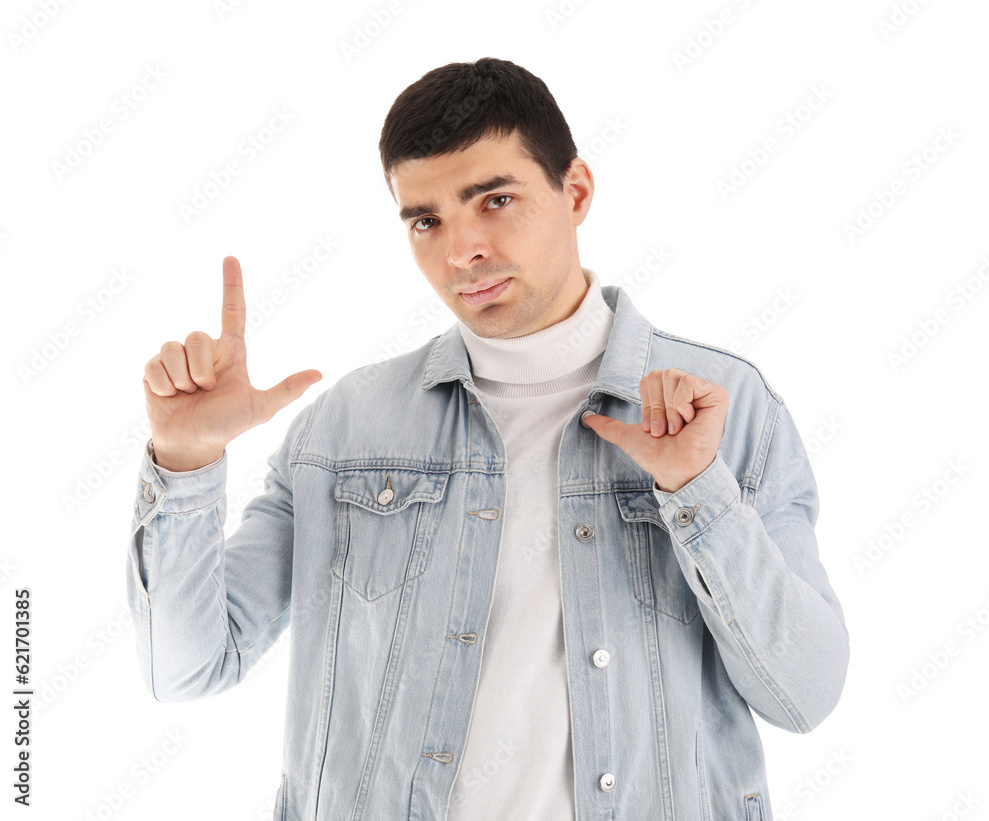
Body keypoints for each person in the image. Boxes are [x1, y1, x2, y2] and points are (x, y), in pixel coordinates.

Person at [127, 57, 849, 821]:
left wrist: (697, 491)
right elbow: (187, 667)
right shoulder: (347, 429)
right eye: (426, 220)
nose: (459, 251)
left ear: (575, 192)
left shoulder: (722, 406)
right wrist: (185, 459)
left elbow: (804, 694)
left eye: (495, 200)